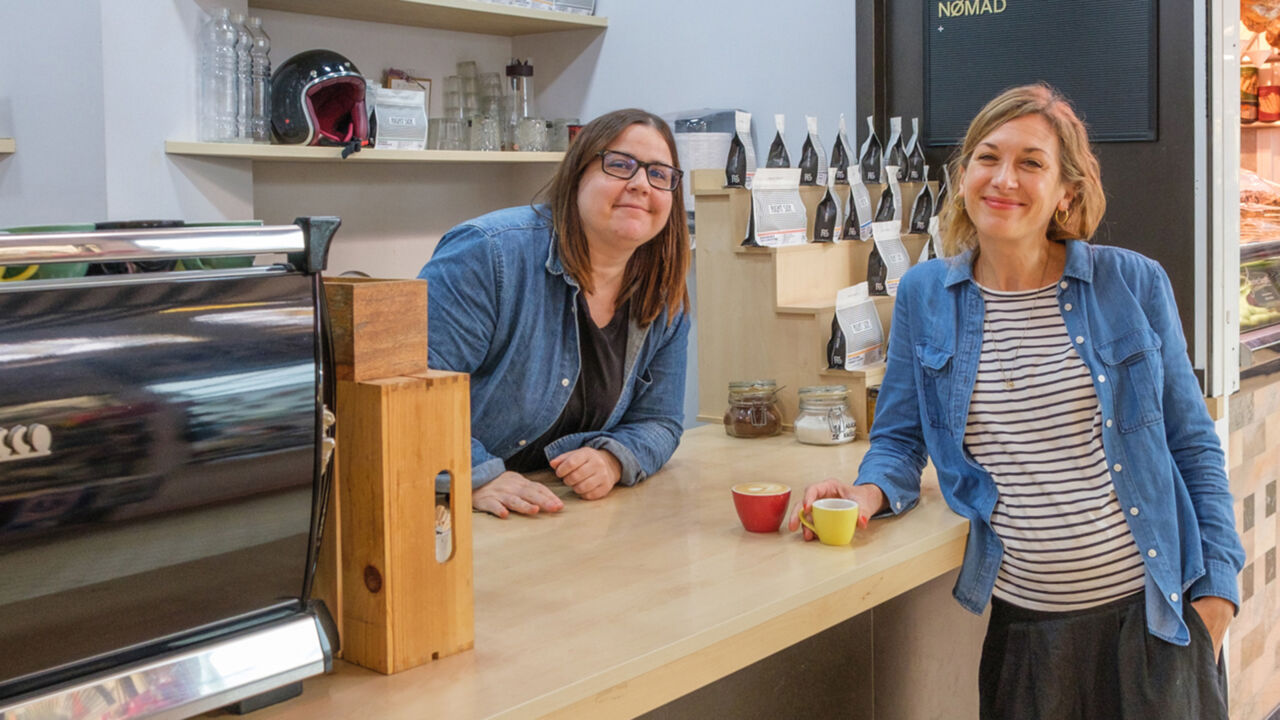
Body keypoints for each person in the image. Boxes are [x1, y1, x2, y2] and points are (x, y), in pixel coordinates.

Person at [788, 84, 1244, 718]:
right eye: (987, 157)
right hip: (1026, 634)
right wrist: (865, 495)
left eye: (1031, 162)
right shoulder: (925, 295)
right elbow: (899, 437)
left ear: (1067, 192)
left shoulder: (1131, 282)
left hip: (1155, 620)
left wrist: (1217, 593)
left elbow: (1192, 443)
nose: (1004, 179)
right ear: (965, 174)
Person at [421, 108, 691, 519]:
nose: (640, 185)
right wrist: (475, 474)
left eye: (659, 174)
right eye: (619, 165)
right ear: (577, 174)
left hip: (553, 511)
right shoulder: (489, 254)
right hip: (445, 506)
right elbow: (412, 393)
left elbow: (660, 420)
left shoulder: (663, 292)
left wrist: (613, 460)